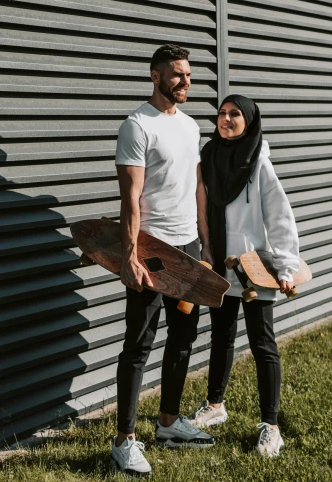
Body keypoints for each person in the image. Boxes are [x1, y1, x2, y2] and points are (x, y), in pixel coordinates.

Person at [110, 44, 215, 476]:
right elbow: (130, 200)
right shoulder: (137, 127)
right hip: (153, 253)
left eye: (188, 74)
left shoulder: (190, 127)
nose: (186, 81)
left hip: (189, 246)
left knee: (184, 338)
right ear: (155, 77)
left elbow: (197, 190)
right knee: (139, 344)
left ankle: (169, 422)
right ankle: (124, 440)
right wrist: (130, 256)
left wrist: (205, 246)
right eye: (177, 74)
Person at [190, 94, 299, 458]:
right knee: (220, 339)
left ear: (249, 121)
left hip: (254, 269)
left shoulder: (258, 164)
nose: (226, 119)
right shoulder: (208, 158)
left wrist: (285, 267)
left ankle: (271, 426)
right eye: (221, 113)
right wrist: (205, 250)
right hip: (221, 263)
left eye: (235, 114)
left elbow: (280, 217)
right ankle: (215, 405)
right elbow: (201, 209)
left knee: (262, 346)